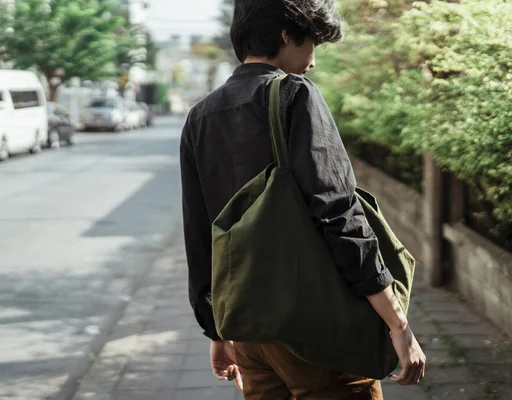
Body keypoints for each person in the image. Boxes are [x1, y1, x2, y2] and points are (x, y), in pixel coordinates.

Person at [179, 0, 426, 398]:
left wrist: (216, 329)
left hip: (248, 332)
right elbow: (338, 213)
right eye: (312, 44)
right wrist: (398, 323)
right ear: (285, 35)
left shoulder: (200, 116)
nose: (312, 62)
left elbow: (201, 229)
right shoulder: (294, 94)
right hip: (313, 326)